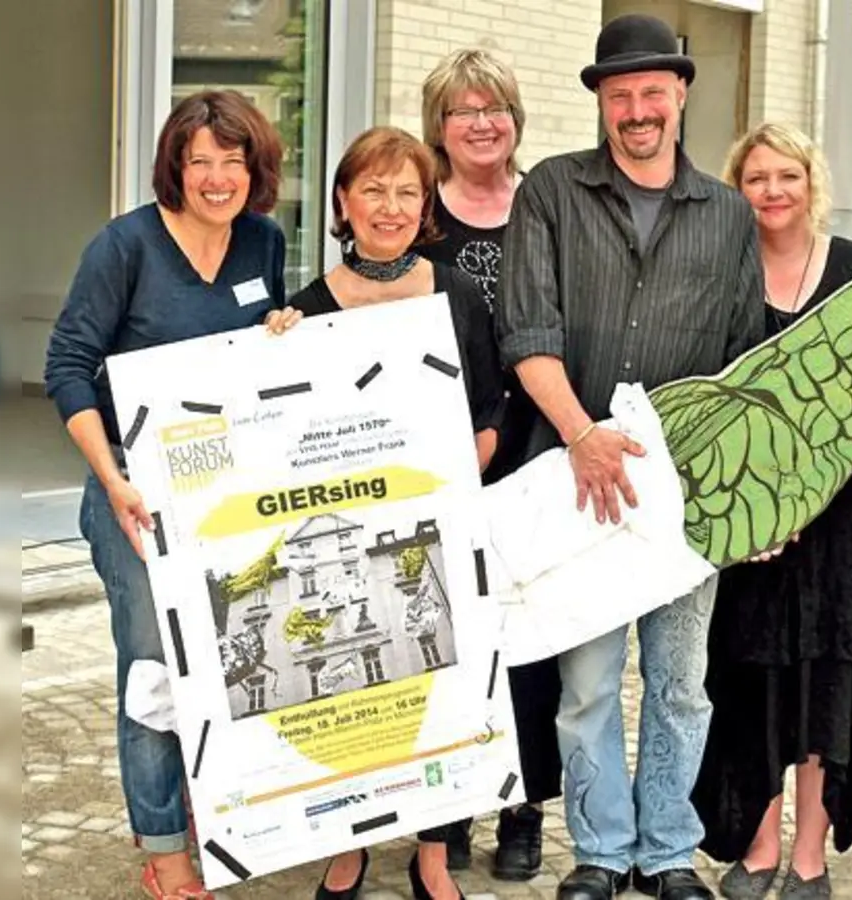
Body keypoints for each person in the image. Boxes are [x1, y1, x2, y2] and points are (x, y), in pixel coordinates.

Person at [497, 14, 764, 900]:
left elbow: (741, 361)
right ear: (602, 104)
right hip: (578, 479)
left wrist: (740, 494)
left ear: (681, 95)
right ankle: (602, 851)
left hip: (684, 493)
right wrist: (582, 434)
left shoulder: (726, 216)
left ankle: (668, 851)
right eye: (621, 95)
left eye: (654, 92)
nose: (638, 111)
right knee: (588, 687)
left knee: (683, 685)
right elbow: (525, 329)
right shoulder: (551, 192)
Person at [43, 90, 296, 900]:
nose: (218, 177)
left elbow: (253, 353)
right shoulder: (125, 247)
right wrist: (112, 481)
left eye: (234, 160)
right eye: (200, 161)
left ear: (254, 169)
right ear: (174, 167)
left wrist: (281, 335)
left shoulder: (263, 240)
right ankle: (165, 848)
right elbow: (68, 366)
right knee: (155, 670)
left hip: (226, 486)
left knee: (226, 659)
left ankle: (206, 804)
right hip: (136, 490)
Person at [689, 123, 852, 900]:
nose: (773, 191)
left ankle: (811, 855)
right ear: (738, 188)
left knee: (829, 688)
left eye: (787, 175)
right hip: (758, 530)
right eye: (757, 178)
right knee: (753, 689)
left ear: (811, 181)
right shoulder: (723, 278)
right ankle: (757, 846)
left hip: (846, 532)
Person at [292, 125, 502, 900]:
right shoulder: (304, 312)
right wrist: (267, 349)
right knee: (353, 689)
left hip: (438, 524)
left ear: (427, 205)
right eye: (373, 190)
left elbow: (489, 415)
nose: (390, 206)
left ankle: (435, 852)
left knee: (443, 687)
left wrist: (446, 489)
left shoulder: (461, 294)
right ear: (343, 202)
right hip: (346, 538)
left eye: (407, 191)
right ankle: (349, 846)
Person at [415, 48, 560, 882]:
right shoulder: (415, 207)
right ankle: (447, 810)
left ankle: (524, 806)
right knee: (447, 633)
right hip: (439, 453)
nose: (481, 123)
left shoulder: (547, 204)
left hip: (538, 444)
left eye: (494, 107)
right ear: (440, 125)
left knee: (528, 635)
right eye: (463, 110)